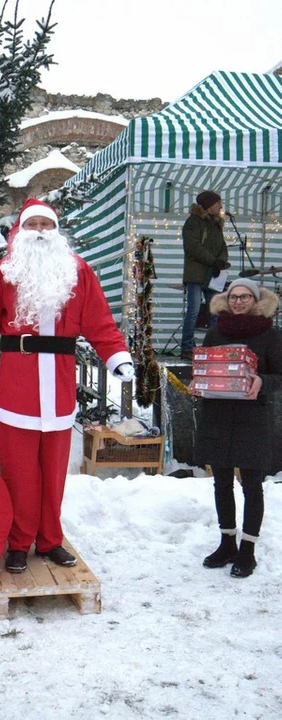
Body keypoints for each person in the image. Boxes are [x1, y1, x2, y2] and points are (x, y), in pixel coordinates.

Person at [0, 198, 134, 573]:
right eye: (34, 225)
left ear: (57, 232)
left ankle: (49, 540)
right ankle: (18, 542)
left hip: (60, 390)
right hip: (19, 389)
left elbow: (99, 322)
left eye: (47, 225)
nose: (41, 232)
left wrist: (117, 356)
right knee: (19, 473)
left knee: (54, 472)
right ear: (20, 231)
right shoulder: (5, 272)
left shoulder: (77, 272)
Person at [194, 277, 282, 578]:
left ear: (256, 301)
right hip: (217, 416)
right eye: (234, 296)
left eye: (245, 297)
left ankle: (248, 549)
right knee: (221, 483)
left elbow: (279, 375)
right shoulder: (215, 332)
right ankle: (226, 542)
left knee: (252, 484)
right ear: (227, 300)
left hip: (252, 419)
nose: (239, 301)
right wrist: (199, 382)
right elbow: (203, 367)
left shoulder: (270, 335)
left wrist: (263, 381)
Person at [180, 190, 230, 360]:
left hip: (212, 275)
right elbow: (192, 247)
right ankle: (187, 347)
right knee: (193, 311)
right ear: (209, 205)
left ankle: (212, 347)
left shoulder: (216, 224)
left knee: (215, 311)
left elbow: (223, 247)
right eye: (218, 203)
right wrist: (213, 261)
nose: (221, 206)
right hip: (196, 274)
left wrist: (221, 261)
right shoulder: (193, 222)